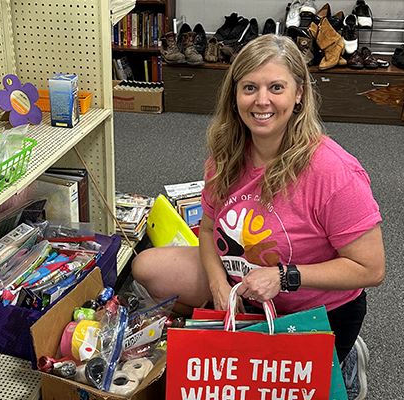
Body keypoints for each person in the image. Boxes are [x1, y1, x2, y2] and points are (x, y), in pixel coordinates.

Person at [131, 34, 385, 400]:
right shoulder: (226, 155)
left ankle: (343, 358)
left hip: (317, 307)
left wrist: (285, 277)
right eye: (250, 87)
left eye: (276, 87)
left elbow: (371, 269)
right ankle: (245, 323)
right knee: (147, 268)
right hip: (245, 289)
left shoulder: (334, 171)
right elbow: (206, 229)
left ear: (299, 94)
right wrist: (219, 286)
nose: (261, 101)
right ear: (234, 95)